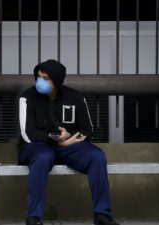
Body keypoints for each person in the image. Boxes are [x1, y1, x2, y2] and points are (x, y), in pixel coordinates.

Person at [17, 59, 119, 225]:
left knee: (97, 156)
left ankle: (102, 215)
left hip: (68, 146)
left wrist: (69, 138)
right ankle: (34, 217)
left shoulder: (75, 97)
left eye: (46, 78)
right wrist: (56, 140)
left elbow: (87, 129)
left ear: (57, 81)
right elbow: (27, 134)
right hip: (36, 147)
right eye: (38, 76)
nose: (40, 81)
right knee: (43, 156)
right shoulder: (27, 97)